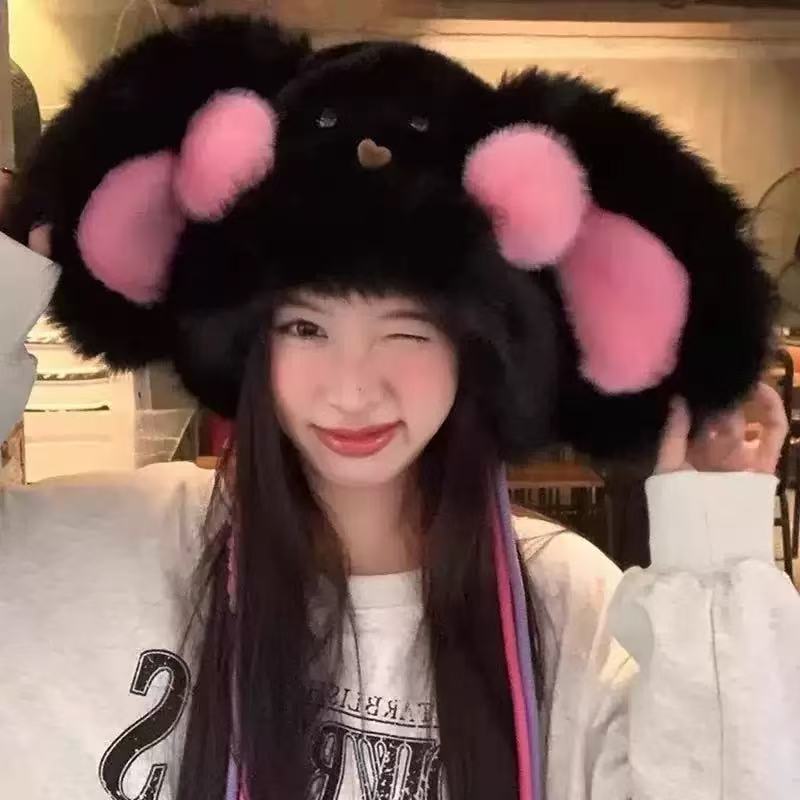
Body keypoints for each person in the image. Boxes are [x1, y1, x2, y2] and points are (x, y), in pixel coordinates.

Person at [1, 16, 798, 800]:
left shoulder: (563, 603)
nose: (353, 388)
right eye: (306, 328)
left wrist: (713, 550)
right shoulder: (125, 544)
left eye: (407, 331)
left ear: (469, 350)